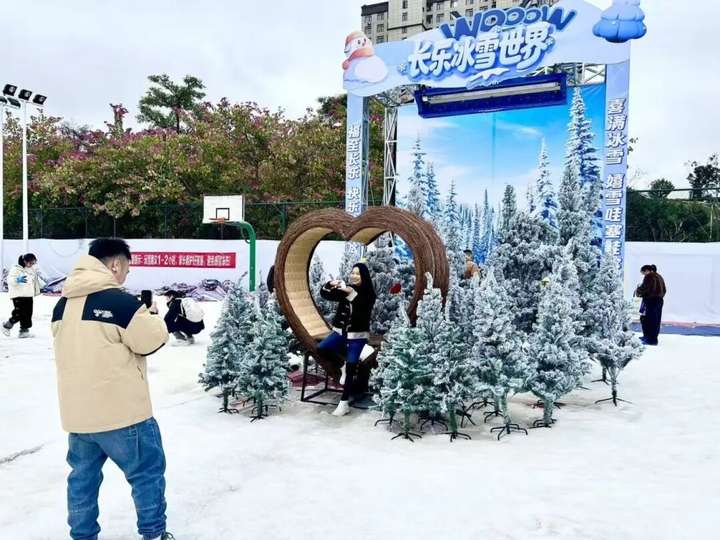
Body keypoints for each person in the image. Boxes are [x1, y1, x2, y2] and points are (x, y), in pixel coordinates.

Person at [51, 238, 174, 540]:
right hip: (123, 414)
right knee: (146, 475)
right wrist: (153, 316)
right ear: (116, 264)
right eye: (127, 269)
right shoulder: (121, 303)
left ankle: (82, 535)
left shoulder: (62, 305)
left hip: (78, 418)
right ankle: (154, 533)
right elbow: (150, 341)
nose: (126, 275)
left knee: (82, 481)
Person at [318, 262, 376, 417]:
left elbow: (360, 304)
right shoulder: (347, 289)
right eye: (353, 273)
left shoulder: (369, 293)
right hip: (340, 333)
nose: (354, 276)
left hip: (358, 336)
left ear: (364, 276)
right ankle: (341, 365)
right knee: (322, 349)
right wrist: (329, 284)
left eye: (358, 274)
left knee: (352, 365)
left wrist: (349, 292)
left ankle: (344, 403)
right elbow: (326, 295)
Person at [3, 253, 43, 338]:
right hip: (18, 295)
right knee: (19, 313)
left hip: (28, 295)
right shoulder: (16, 269)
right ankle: (6, 326)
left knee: (28, 313)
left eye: (33, 263)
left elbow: (34, 280)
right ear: (25, 261)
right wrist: (17, 280)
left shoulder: (30, 269)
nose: (32, 264)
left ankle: (24, 331)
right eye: (30, 263)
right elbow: (9, 280)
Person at [635, 264, 667, 346]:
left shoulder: (649, 276)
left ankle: (650, 339)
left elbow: (645, 288)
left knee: (648, 319)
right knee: (656, 320)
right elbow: (664, 290)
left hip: (651, 300)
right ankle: (652, 338)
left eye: (643, 273)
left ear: (647, 270)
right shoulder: (659, 276)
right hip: (659, 300)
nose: (643, 275)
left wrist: (638, 290)